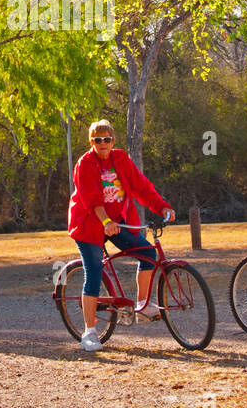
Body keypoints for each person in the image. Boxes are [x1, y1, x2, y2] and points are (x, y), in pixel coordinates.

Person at [67, 120, 175, 352]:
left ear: (113, 140)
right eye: (97, 139)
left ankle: (143, 305)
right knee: (94, 271)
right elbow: (92, 199)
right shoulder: (85, 164)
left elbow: (141, 187)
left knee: (147, 253)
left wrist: (162, 207)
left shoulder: (121, 159)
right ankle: (89, 332)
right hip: (89, 224)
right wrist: (105, 221)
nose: (102, 143)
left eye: (106, 139)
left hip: (116, 222)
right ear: (91, 142)